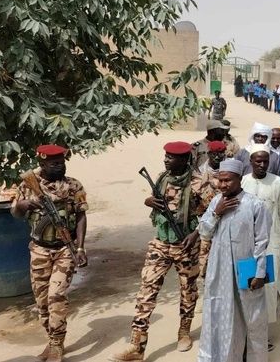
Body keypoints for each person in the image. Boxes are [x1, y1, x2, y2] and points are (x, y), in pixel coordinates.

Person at [112, 142, 206, 361]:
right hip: (161, 242)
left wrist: (196, 234)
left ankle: (184, 332)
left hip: (186, 244)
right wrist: (149, 201)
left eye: (171, 157)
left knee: (187, 291)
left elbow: (213, 213)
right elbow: (157, 202)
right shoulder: (162, 177)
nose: (166, 160)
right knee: (146, 292)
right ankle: (137, 346)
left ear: (184, 160)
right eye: (165, 156)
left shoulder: (199, 183)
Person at [10, 145, 88, 362]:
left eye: (62, 162)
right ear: (42, 164)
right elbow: (15, 212)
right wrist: (26, 204)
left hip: (65, 248)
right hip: (39, 249)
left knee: (56, 296)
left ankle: (57, 344)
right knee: (42, 301)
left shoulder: (73, 185)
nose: (60, 166)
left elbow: (81, 216)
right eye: (55, 164)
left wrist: (80, 248)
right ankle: (51, 337)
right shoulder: (28, 183)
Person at [198, 159, 271, 362]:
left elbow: (262, 242)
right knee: (220, 315)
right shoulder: (216, 202)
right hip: (219, 271)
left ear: (239, 179)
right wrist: (216, 212)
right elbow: (204, 232)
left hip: (247, 270)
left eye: (228, 181)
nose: (223, 185)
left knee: (253, 318)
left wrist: (259, 273)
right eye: (220, 181)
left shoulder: (255, 205)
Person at [241, 145, 280, 341]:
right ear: (250, 162)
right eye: (257, 161)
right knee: (247, 284)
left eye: (265, 161)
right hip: (246, 244)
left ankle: (263, 333)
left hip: (271, 244)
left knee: (268, 287)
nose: (261, 165)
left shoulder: (278, 183)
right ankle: (247, 331)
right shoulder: (242, 182)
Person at [196, 140, 227, 277]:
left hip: (226, 222)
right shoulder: (200, 173)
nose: (218, 157)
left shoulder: (229, 171)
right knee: (207, 269)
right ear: (209, 153)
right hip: (207, 222)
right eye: (215, 153)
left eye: (221, 153)